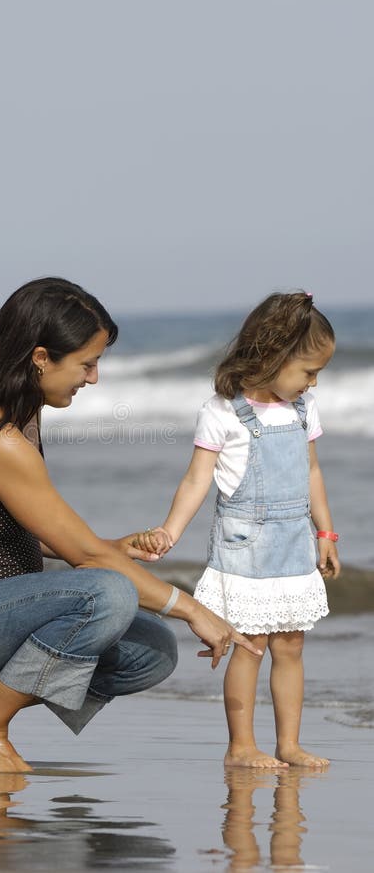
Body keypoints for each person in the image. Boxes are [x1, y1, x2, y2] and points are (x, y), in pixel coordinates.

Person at [0, 277, 260, 773]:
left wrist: (107, 547)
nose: (93, 378)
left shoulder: (18, 417)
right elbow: (89, 563)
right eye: (86, 364)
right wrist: (193, 610)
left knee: (151, 650)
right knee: (107, 594)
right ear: (40, 358)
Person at [133, 291, 340, 769]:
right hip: (244, 552)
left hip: (293, 547)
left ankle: (288, 743)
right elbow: (197, 479)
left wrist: (325, 533)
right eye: (308, 371)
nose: (312, 383)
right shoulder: (224, 411)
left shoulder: (302, 409)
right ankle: (241, 746)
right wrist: (170, 530)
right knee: (249, 647)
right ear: (272, 354)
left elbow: (312, 473)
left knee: (291, 646)